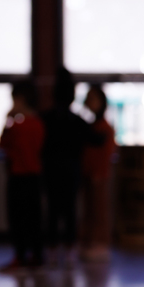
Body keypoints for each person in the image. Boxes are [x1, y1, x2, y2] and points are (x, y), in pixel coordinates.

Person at [42, 67, 103, 267]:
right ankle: (68, 251)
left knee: (53, 211)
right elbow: (97, 139)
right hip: (70, 170)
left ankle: (53, 251)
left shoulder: (46, 119)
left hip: (51, 170)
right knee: (68, 211)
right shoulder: (77, 121)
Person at [0, 80, 45, 272]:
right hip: (33, 177)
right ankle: (35, 256)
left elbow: (3, 144)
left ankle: (21, 256)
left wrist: (8, 120)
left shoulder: (19, 126)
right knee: (34, 218)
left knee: (18, 218)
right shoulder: (39, 124)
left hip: (19, 177)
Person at [80, 85, 116, 262]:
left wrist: (97, 174)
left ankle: (100, 243)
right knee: (89, 209)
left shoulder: (104, 128)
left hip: (99, 175)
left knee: (99, 209)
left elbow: (105, 155)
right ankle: (89, 241)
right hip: (88, 174)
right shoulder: (90, 126)